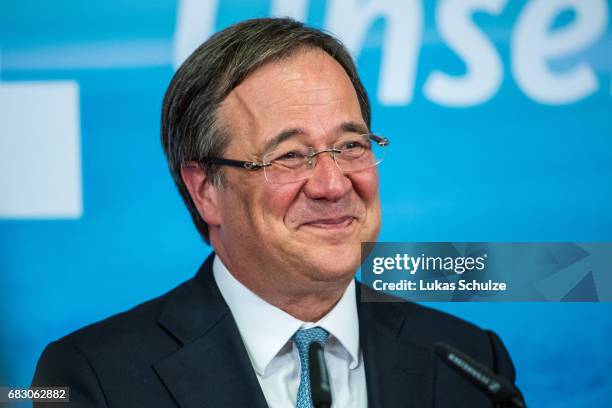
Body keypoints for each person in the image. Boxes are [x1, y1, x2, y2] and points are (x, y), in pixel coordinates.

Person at [32, 18, 517, 407]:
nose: (332, 184)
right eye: (289, 156)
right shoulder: (93, 379)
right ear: (205, 191)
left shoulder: (472, 364)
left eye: (350, 146)